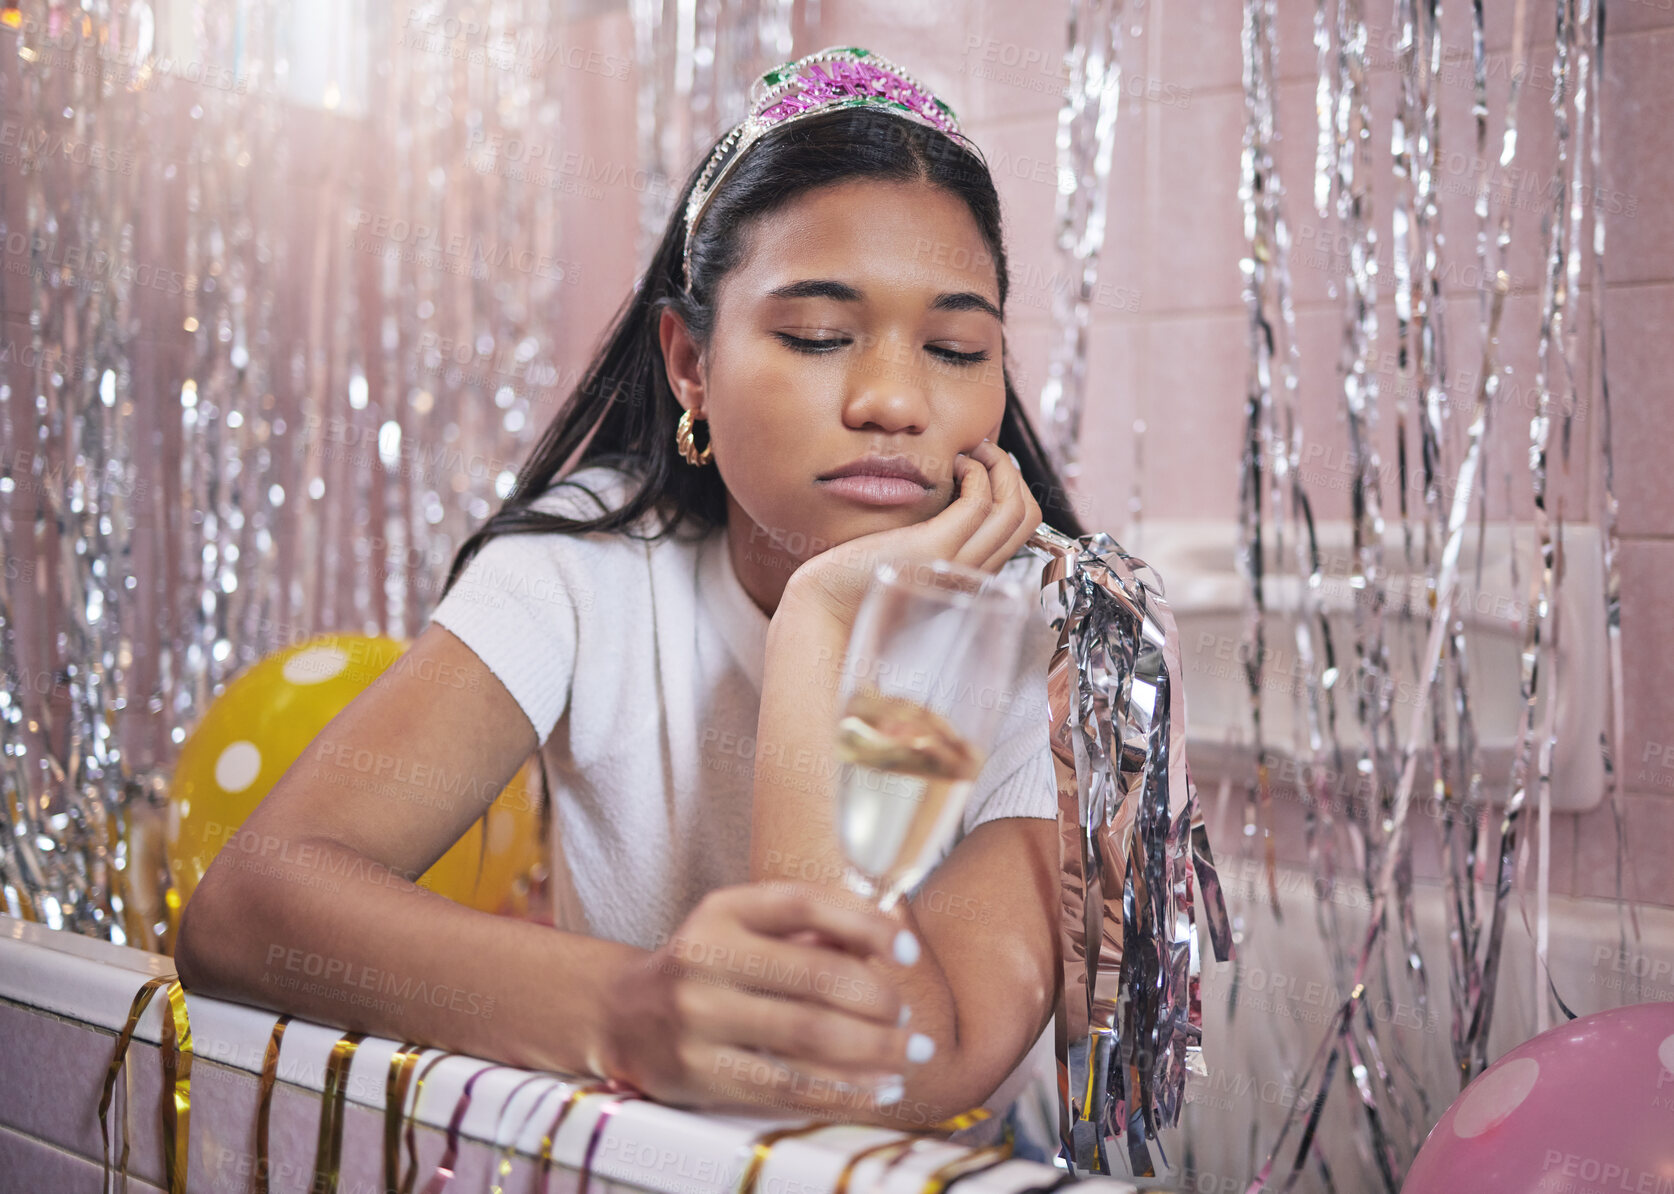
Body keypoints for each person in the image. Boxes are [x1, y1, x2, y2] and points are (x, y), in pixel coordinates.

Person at [176, 46, 1088, 1147]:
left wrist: (820, 622)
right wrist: (627, 1010)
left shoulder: (1053, 638)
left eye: (954, 347)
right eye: (816, 335)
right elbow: (244, 913)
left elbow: (849, 1067)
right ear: (690, 364)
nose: (895, 398)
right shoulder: (579, 569)